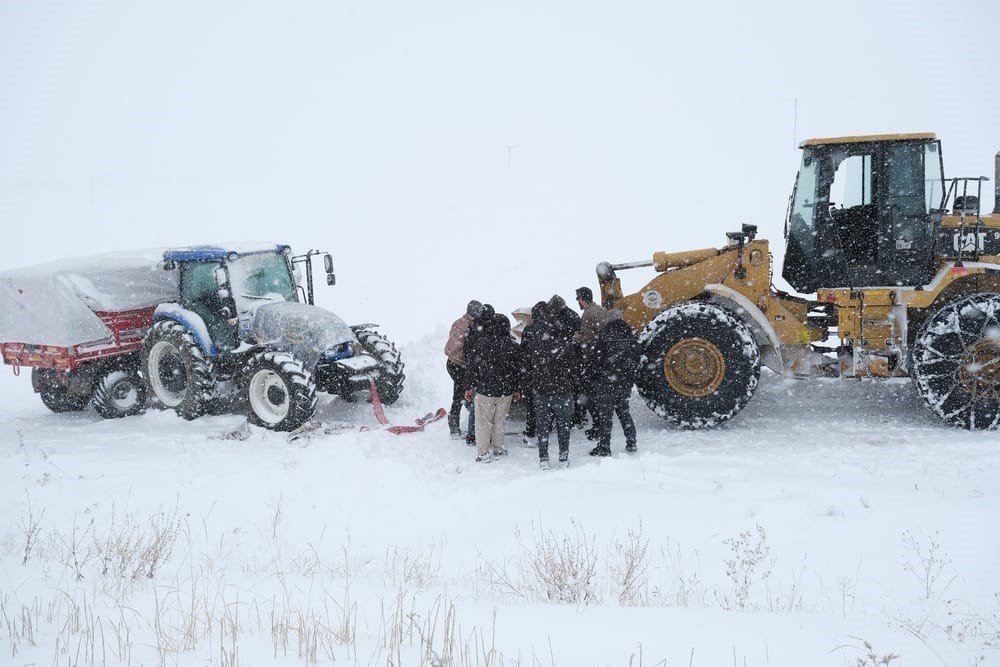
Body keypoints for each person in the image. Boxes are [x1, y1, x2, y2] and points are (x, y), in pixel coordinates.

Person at [522, 306, 579, 470]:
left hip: (542, 392)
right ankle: (563, 457)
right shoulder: (566, 347)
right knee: (563, 426)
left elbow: (527, 368)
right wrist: (570, 385)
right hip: (563, 391)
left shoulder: (535, 347)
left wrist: (531, 386)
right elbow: (574, 370)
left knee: (542, 427)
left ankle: (543, 459)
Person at [465, 313, 521, 462]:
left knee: (483, 422)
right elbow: (517, 370)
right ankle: (498, 448)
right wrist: (516, 388)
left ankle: (483, 452)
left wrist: (470, 387)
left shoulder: (480, 344)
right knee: (500, 421)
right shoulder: (513, 346)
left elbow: (472, 368)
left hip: (485, 390)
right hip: (505, 391)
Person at [589, 309, 639, 456]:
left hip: (607, 382)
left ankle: (604, 447)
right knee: (624, 412)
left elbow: (596, 359)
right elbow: (636, 358)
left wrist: (595, 375)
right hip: (624, 382)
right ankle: (632, 442)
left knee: (606, 415)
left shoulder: (604, 335)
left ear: (609, 319)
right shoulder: (630, 335)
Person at [444, 300, 482, 439]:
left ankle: (456, 421)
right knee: (460, 393)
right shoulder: (471, 326)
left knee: (460, 392)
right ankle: (455, 427)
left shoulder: (458, 322)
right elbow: (469, 348)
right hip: (461, 364)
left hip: (451, 361)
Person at [574, 286, 608, 437]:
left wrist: (577, 337)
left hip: (592, 359)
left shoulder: (588, 314)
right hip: (602, 357)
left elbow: (587, 339)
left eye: (578, 299)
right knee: (598, 394)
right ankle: (601, 425)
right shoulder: (601, 310)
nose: (577, 302)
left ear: (582, 299)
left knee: (589, 395)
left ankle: (598, 426)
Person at [462, 303, 495, 445]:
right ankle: (486, 435)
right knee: (489, 407)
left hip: (475, 369)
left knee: (476, 405)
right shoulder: (493, 327)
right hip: (489, 371)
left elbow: (467, 348)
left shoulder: (473, 326)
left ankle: (471, 434)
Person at [518, 301, 549, 443]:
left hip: (532, 373)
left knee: (532, 405)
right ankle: (544, 431)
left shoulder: (528, 330)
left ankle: (530, 434)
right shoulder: (552, 329)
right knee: (547, 405)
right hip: (549, 373)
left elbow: (523, 353)